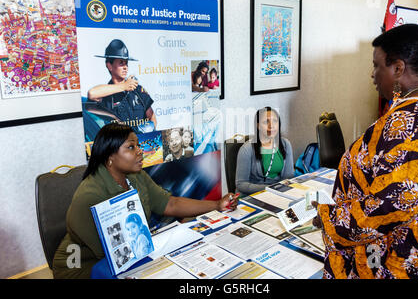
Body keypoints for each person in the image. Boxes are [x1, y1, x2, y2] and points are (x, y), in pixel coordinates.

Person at [312, 24, 418, 279]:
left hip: (397, 260)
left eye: (377, 66)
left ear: (398, 68)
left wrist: (329, 219)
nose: (373, 75)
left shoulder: (416, 124)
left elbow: (395, 202)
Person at [52, 123, 238, 279]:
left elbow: (170, 204)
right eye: (131, 147)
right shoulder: (90, 195)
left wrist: (217, 205)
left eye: (138, 145)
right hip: (82, 265)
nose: (140, 151)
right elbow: (117, 254)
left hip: (127, 255)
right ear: (110, 157)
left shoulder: (135, 175)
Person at [86, 39, 157, 133]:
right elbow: (92, 93)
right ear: (109, 66)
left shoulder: (138, 90)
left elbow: (152, 117)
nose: (125, 67)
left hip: (141, 143)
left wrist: (149, 135)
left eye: (126, 63)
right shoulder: (105, 94)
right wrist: (124, 86)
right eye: (121, 63)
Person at [235, 107, 294, 195]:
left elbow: (288, 177)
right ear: (258, 125)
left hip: (277, 193)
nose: (272, 126)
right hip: (252, 195)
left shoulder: (285, 144)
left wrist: (278, 190)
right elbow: (241, 184)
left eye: (275, 121)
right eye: (266, 122)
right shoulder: (247, 149)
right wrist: (269, 188)